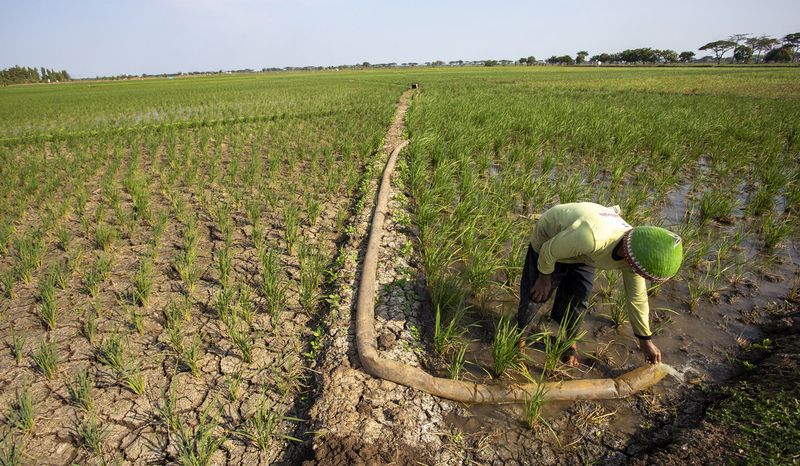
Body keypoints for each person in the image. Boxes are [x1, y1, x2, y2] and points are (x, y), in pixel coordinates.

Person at [516, 202, 683, 366]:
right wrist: (544, 277)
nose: (641, 276)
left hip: (582, 250)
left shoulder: (635, 256)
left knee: (579, 298)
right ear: (632, 259)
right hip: (552, 236)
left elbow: (637, 299)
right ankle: (519, 338)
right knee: (536, 294)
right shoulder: (592, 238)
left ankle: (570, 342)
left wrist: (645, 341)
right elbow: (549, 250)